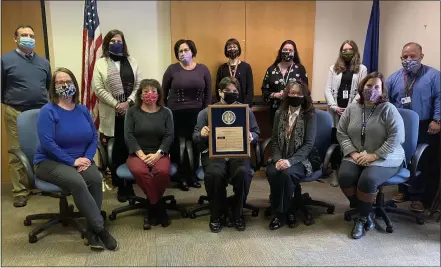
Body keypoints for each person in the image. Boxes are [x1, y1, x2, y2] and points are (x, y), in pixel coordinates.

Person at [34, 68, 118, 250]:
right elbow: (48, 143)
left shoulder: (81, 109)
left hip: (80, 160)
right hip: (49, 162)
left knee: (95, 178)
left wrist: (87, 158)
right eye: (59, 82)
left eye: (68, 81)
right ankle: (100, 229)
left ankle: (91, 230)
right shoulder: (47, 111)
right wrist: (72, 162)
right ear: (53, 87)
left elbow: (93, 137)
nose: (64, 85)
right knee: (77, 182)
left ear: (74, 85)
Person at [337, 72, 405, 239]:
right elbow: (341, 132)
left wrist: (374, 156)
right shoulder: (352, 108)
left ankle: (360, 219)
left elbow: (397, 137)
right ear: (362, 87)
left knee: (367, 180)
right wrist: (353, 153)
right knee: (344, 176)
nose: (372, 90)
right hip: (356, 154)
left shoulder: (389, 109)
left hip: (386, 156)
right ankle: (365, 210)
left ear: (382, 90)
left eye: (376, 87)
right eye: (368, 86)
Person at [193, 77, 261, 233]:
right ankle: (216, 215)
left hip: (238, 153)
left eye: (235, 91)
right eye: (228, 91)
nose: (231, 93)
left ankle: (237, 214)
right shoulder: (206, 112)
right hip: (215, 154)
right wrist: (202, 134)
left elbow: (257, 132)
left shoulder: (245, 111)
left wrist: (252, 136)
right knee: (215, 174)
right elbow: (195, 136)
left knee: (243, 173)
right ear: (219, 92)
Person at [387, 42, 440, 213]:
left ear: (421, 56)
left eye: (413, 56)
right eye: (405, 57)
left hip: (426, 125)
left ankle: (418, 197)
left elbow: (440, 98)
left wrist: (437, 120)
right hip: (400, 127)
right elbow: (386, 102)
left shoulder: (433, 76)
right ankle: (404, 191)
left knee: (421, 161)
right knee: (403, 158)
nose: (408, 59)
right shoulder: (394, 78)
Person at [1, 25, 51, 207]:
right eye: (23, 35)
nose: (28, 38)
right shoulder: (5, 60)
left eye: (31, 35)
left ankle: (44, 183)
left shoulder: (44, 62)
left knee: (44, 149)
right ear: (15, 38)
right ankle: (20, 191)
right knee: (16, 152)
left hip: (40, 112)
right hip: (16, 111)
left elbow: (48, 86)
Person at [92, 29, 142, 202]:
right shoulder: (100, 64)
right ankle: (120, 185)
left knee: (131, 148)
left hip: (130, 113)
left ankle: (131, 184)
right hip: (111, 114)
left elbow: (139, 86)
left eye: (119, 40)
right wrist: (116, 105)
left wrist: (128, 102)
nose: (116, 43)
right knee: (116, 151)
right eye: (112, 41)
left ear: (124, 42)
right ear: (107, 43)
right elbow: (98, 89)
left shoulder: (133, 61)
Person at [266, 81, 320, 230]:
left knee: (287, 174)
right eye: (292, 92)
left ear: (304, 96)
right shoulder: (279, 113)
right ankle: (287, 208)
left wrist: (290, 161)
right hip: (281, 156)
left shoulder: (310, 115)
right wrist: (277, 159)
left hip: (303, 159)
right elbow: (275, 140)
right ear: (286, 94)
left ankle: (282, 213)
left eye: (298, 93)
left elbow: (308, 144)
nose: (295, 96)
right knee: (272, 171)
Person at [162, 39, 212, 191]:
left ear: (192, 51)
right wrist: (164, 113)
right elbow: (163, 92)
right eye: (180, 51)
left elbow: (208, 94)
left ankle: (192, 176)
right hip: (176, 113)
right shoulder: (172, 69)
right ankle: (180, 177)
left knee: (195, 144)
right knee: (179, 146)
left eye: (186, 50)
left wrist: (207, 113)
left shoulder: (203, 69)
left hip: (197, 114)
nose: (183, 53)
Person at [125, 79, 174, 228]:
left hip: (159, 153)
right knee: (141, 171)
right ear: (140, 94)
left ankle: (151, 209)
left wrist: (158, 154)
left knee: (163, 171)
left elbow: (169, 136)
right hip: (137, 153)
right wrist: (141, 155)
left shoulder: (166, 112)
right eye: (146, 91)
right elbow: (129, 135)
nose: (150, 94)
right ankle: (158, 207)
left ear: (159, 94)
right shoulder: (132, 111)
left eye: (153, 91)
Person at [324, 40, 368, 187]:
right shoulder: (334, 68)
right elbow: (328, 89)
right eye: (344, 50)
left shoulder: (362, 69)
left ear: (355, 51)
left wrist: (350, 108)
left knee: (352, 141)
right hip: (336, 111)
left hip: (353, 111)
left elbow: (361, 90)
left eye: (350, 49)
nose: (347, 52)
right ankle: (335, 172)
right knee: (336, 140)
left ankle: (350, 172)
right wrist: (334, 106)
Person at [261, 40, 308, 125]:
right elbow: (264, 92)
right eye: (285, 49)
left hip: (295, 112)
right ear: (280, 51)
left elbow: (306, 92)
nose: (287, 52)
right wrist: (275, 95)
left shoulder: (300, 69)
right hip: (275, 111)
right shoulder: (271, 69)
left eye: (290, 50)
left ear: (294, 53)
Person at [215, 38, 254, 106]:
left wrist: (245, 106)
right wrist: (222, 103)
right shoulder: (221, 68)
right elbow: (218, 88)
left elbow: (250, 89)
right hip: (225, 105)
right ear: (226, 51)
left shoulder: (246, 67)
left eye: (234, 47)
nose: (232, 49)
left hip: (242, 105)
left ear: (238, 49)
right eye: (229, 47)